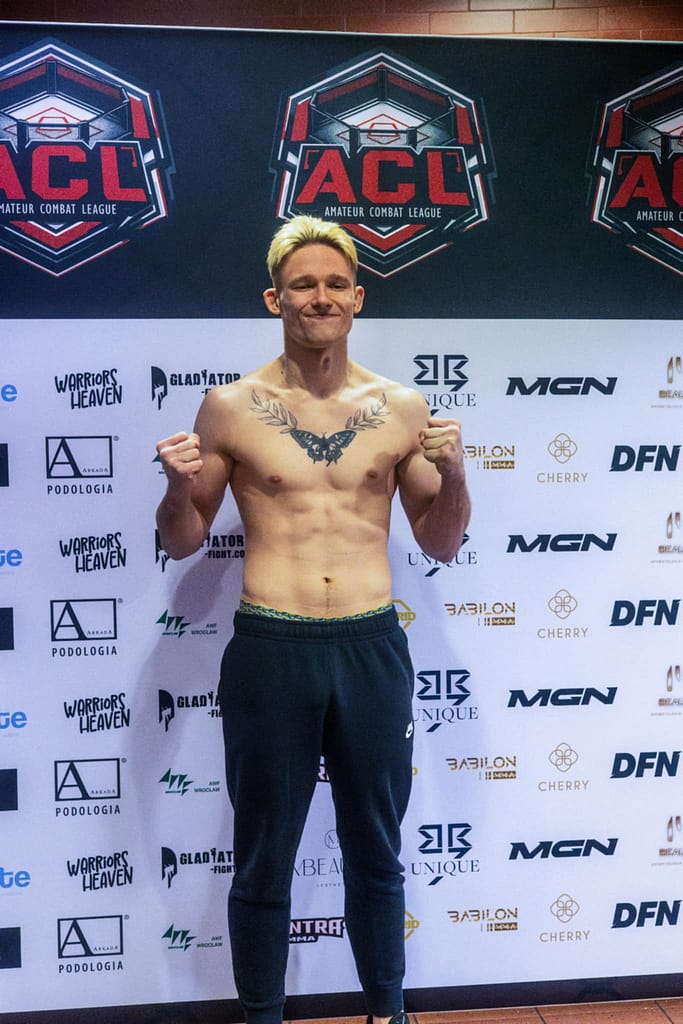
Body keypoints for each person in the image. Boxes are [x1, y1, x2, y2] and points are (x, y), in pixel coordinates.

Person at [155, 215, 470, 1024]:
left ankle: (387, 1014)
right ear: (275, 299)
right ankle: (262, 1018)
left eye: (335, 283)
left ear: (357, 298)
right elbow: (182, 540)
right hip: (272, 647)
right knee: (263, 857)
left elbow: (440, 541)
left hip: (369, 646)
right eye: (302, 284)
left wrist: (458, 475)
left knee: (376, 853)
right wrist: (175, 488)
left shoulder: (400, 407)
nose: (319, 297)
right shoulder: (230, 407)